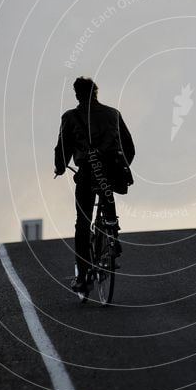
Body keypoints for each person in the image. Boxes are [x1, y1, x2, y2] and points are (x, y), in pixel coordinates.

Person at [54, 77, 135, 290]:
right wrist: (122, 165)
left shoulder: (70, 117)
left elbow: (62, 148)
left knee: (82, 223)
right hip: (113, 172)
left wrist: (60, 167)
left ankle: (82, 278)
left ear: (77, 95)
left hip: (89, 173)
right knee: (107, 200)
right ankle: (112, 233)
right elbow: (129, 147)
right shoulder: (113, 114)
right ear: (96, 93)